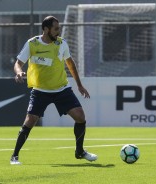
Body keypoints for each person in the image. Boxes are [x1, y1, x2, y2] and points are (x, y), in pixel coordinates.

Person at [10, 16, 98, 165]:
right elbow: (18, 63)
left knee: (80, 117)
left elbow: (70, 64)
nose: (59, 31)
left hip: (61, 89)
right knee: (30, 121)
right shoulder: (32, 44)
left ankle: (79, 152)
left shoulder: (61, 43)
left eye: (59, 28)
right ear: (46, 29)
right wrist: (18, 72)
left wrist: (79, 85)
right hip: (40, 90)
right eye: (56, 28)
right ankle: (14, 156)